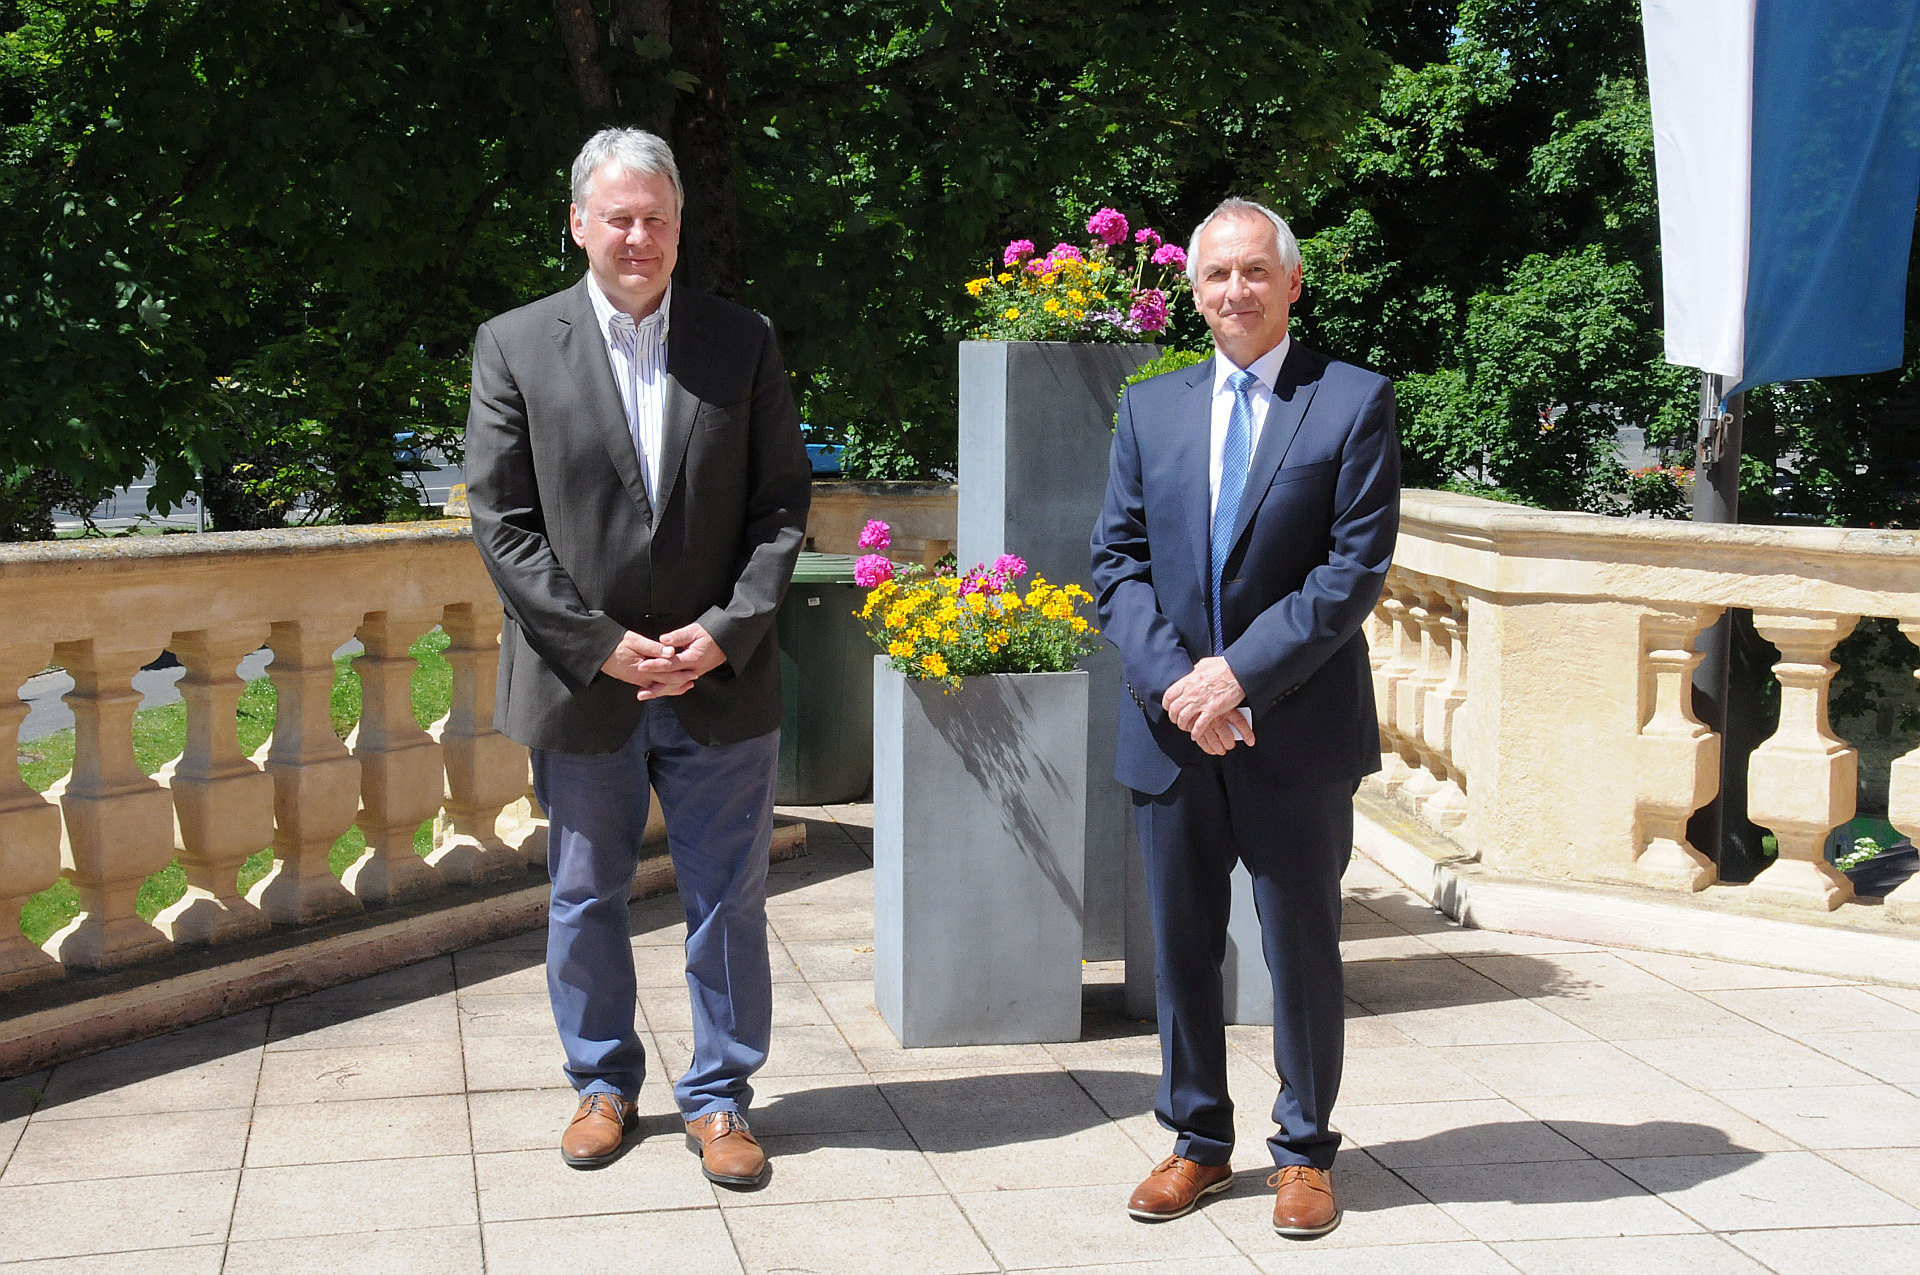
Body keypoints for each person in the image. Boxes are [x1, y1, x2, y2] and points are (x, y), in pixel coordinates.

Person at [465, 127, 811, 1186]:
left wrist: (727, 631)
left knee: (727, 899)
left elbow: (781, 506)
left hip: (720, 677)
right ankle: (602, 1087)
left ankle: (719, 1099)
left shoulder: (739, 339)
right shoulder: (515, 345)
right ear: (578, 223)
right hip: (585, 685)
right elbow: (503, 519)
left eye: (656, 218)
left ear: (677, 228)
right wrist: (600, 644)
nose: (639, 236)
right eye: (618, 216)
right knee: (583, 896)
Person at [1089, 197, 1400, 1236]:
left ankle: (1305, 1152)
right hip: (1175, 732)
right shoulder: (1152, 408)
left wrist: (1240, 678)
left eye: (1255, 271)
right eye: (1217, 274)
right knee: (1182, 949)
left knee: (1301, 946)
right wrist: (1186, 685)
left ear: (1292, 283)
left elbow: (1351, 572)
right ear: (1193, 289)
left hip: (1295, 732)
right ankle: (1196, 1141)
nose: (1235, 291)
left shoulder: (1352, 402)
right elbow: (1117, 565)